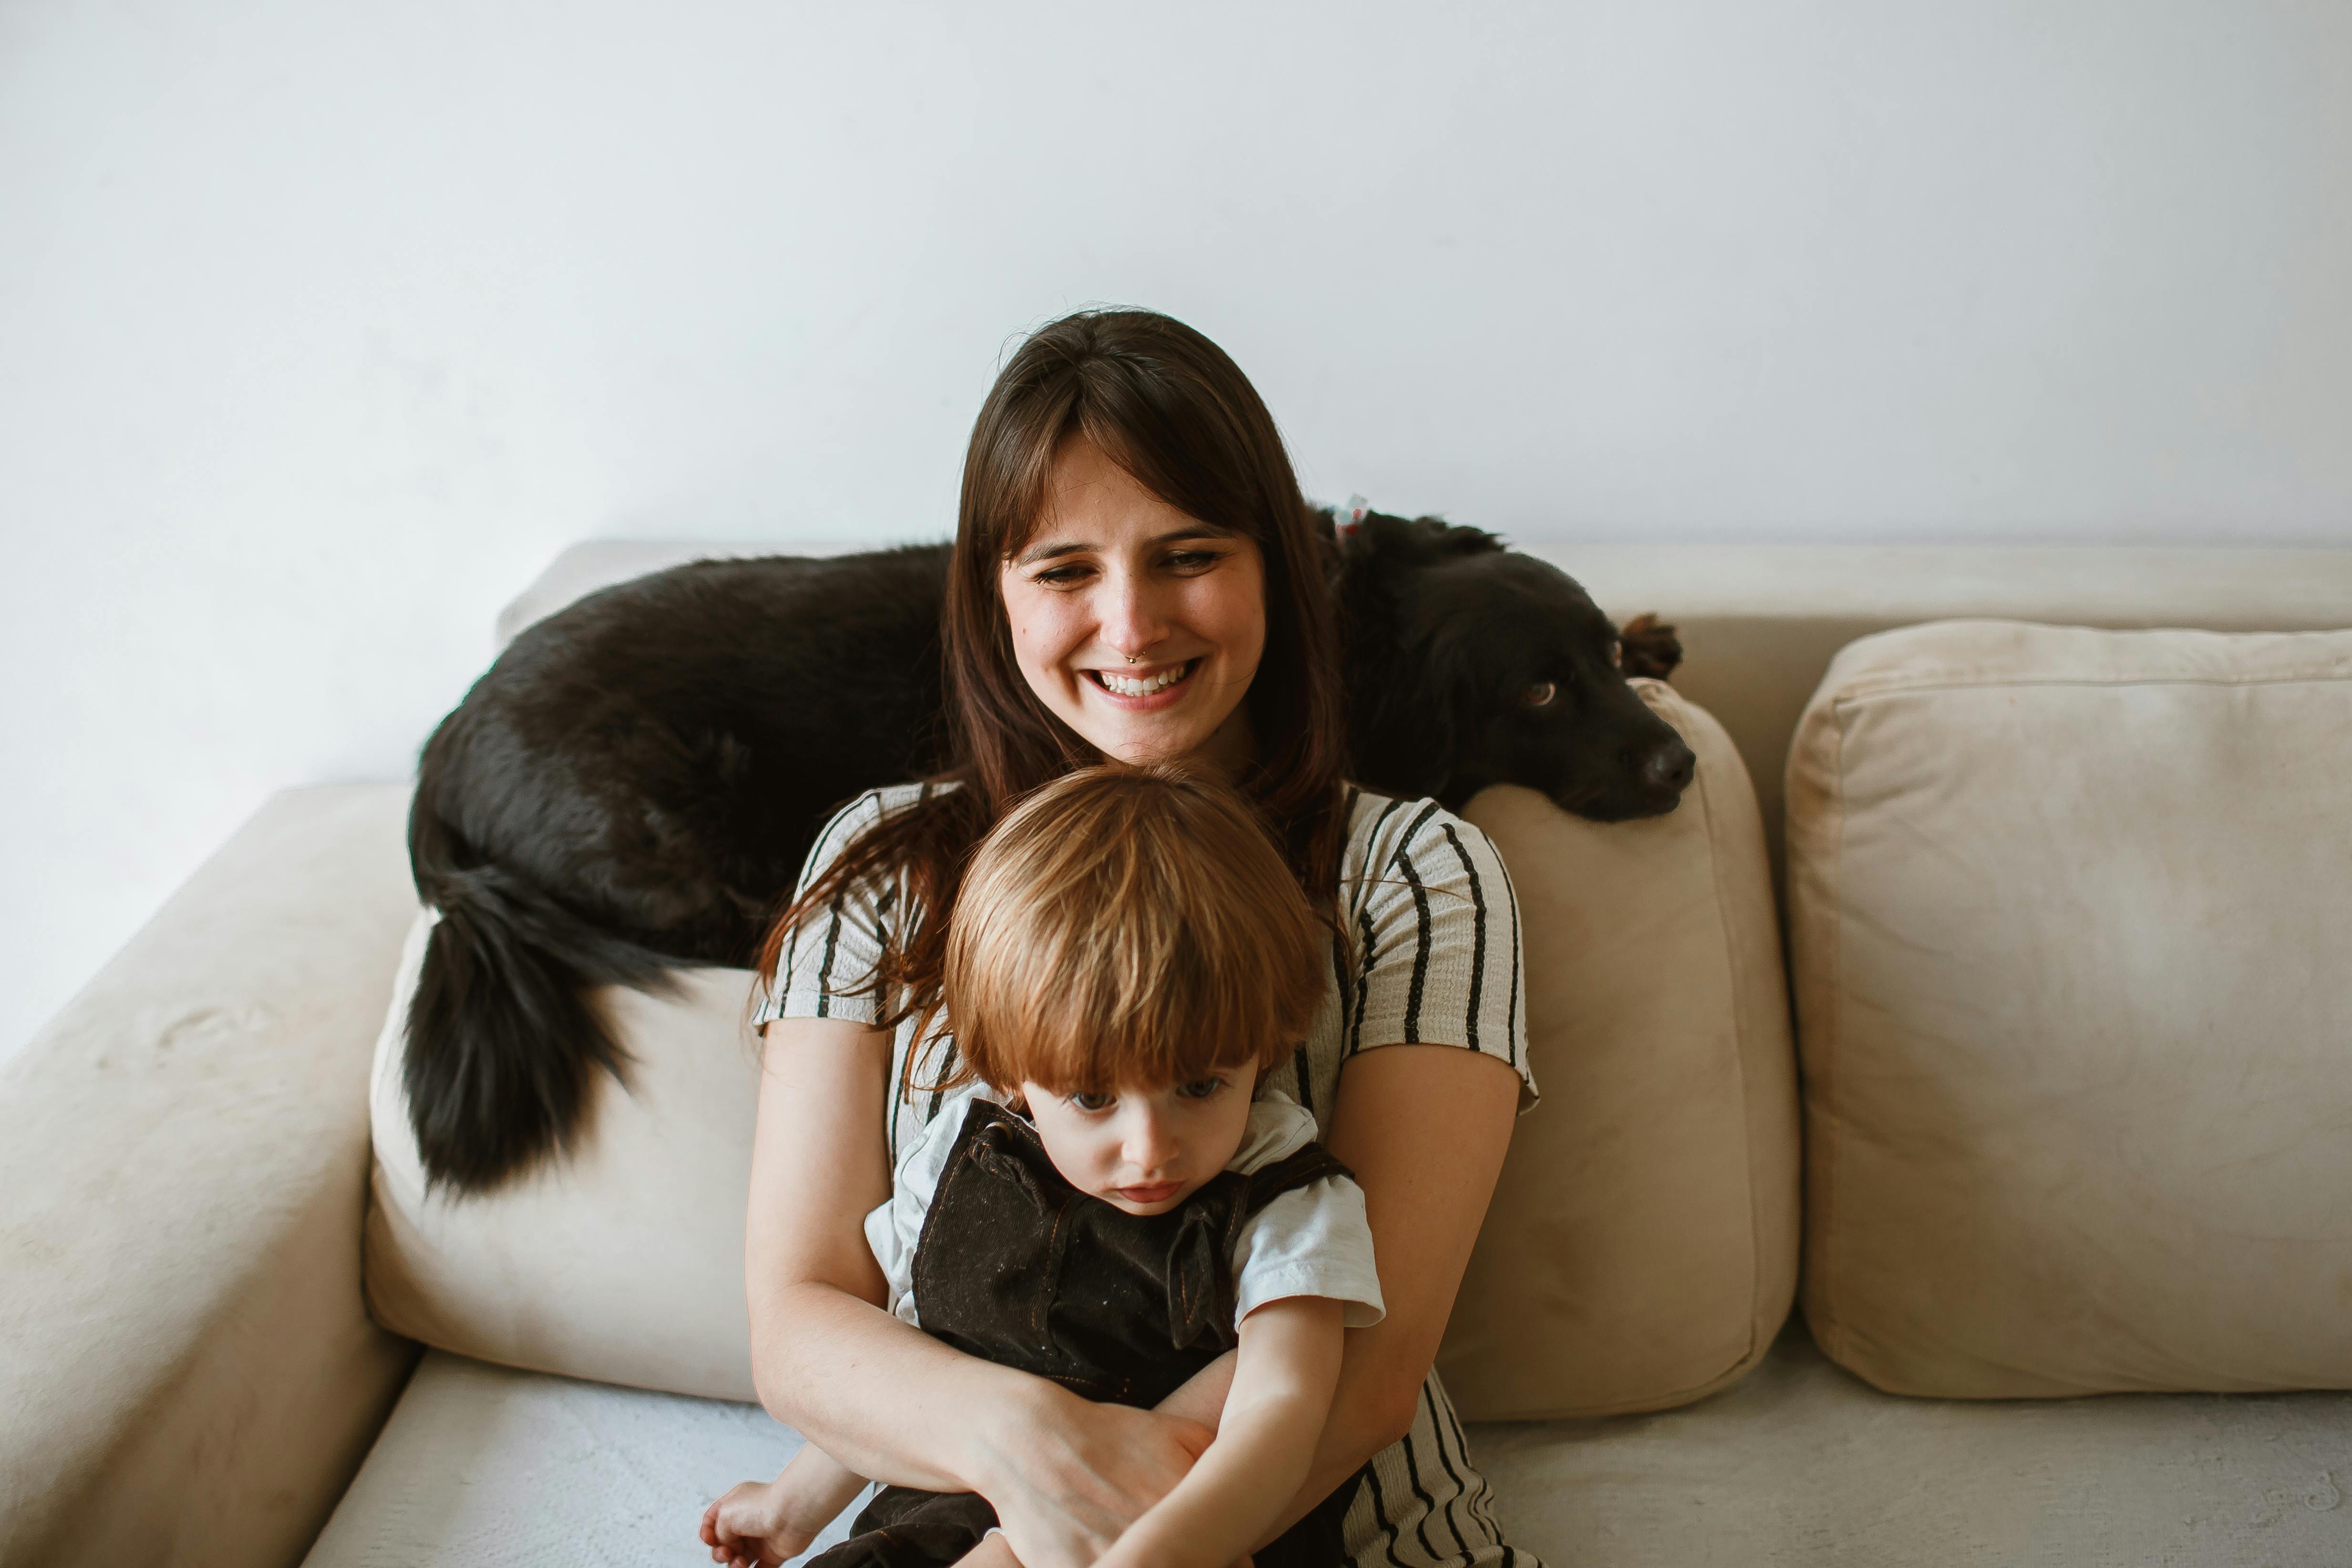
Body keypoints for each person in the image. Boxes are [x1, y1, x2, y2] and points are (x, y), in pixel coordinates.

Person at [734, 308, 1538, 1568]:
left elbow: (1363, 1382)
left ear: (1273, 562)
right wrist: (1020, 1457)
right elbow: (801, 1328)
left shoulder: (1416, 871)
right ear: (994, 595)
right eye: (1064, 572)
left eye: (1187, 556)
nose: (1131, 623)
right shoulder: (877, 869)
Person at [702, 763, 1388, 1568]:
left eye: (1201, 1086)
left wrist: (1145, 1556)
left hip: (1190, 1530)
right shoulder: (972, 1168)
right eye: (1093, 1098)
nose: (1149, 1148)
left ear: (1266, 1048)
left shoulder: (1287, 1202)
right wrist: (792, 1507)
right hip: (938, 1515)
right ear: (1008, 1074)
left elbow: (1283, 1413)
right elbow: (922, 1360)